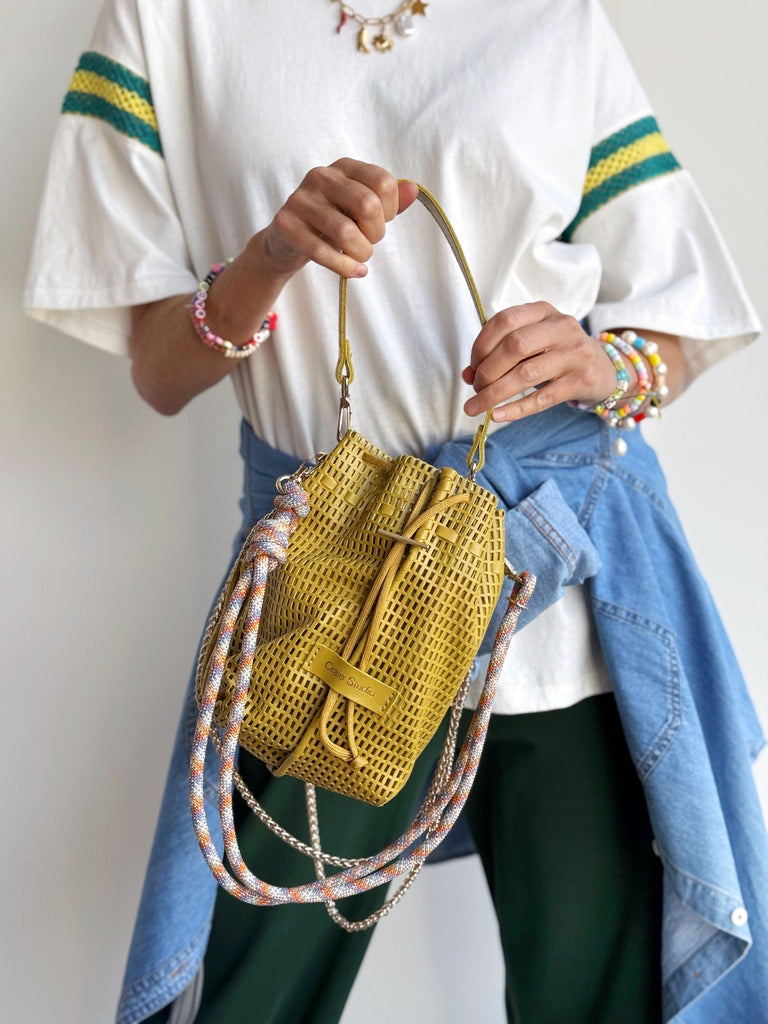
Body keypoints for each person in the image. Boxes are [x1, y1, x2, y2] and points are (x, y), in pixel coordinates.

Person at [23, 0, 768, 1021]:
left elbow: (674, 330)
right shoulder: (168, 17)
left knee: (599, 997)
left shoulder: (557, 19)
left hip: (553, 586)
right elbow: (157, 371)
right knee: (242, 994)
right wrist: (270, 256)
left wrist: (607, 364)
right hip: (329, 601)